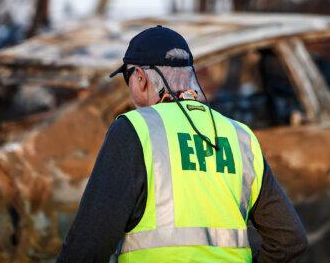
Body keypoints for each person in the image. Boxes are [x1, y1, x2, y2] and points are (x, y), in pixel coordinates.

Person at [57, 25, 308, 262]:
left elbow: (87, 247)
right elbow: (289, 240)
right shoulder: (241, 136)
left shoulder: (134, 130)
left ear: (141, 78)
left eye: (127, 78)